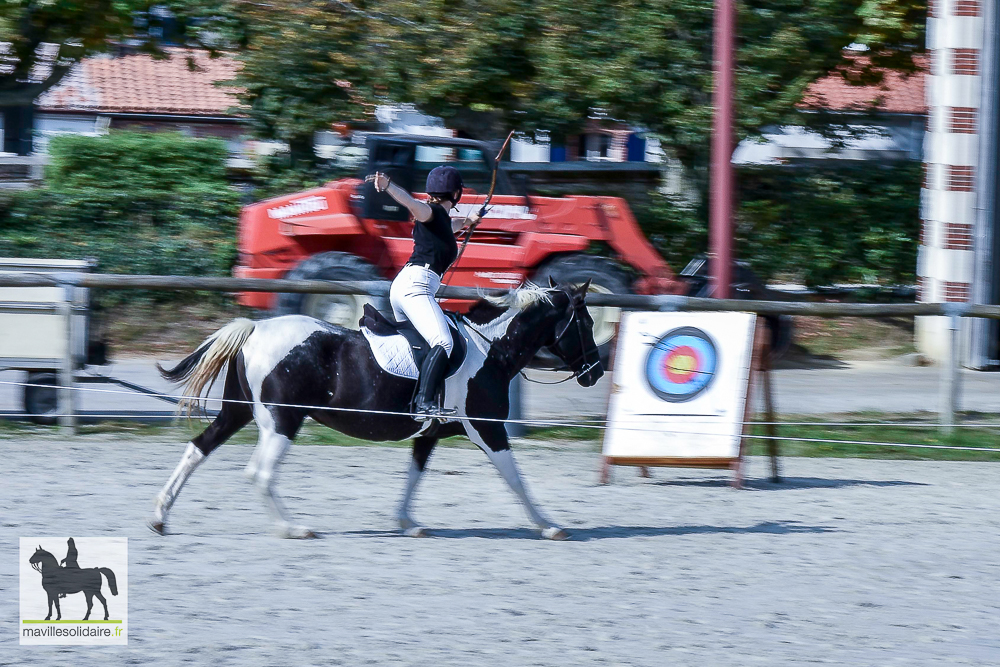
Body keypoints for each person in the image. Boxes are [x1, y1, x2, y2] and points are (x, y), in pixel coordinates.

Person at [365, 166, 484, 419]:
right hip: (416, 287)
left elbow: (450, 227)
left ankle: (406, 395)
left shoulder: (440, 219)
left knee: (418, 347)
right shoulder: (429, 212)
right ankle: (424, 404)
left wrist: (469, 222)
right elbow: (410, 203)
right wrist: (388, 186)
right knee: (443, 342)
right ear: (456, 192)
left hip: (405, 285)